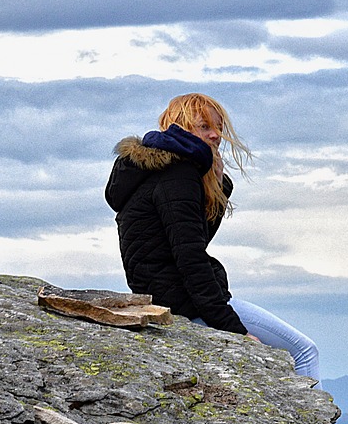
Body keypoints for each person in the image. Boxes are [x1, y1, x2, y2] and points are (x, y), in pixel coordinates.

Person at [105, 93, 320, 381]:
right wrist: (235, 330)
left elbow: (190, 241)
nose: (216, 135)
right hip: (186, 304)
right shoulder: (178, 175)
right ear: (179, 125)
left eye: (217, 127)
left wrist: (217, 188)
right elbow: (191, 260)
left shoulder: (155, 173)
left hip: (169, 298)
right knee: (304, 352)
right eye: (204, 126)